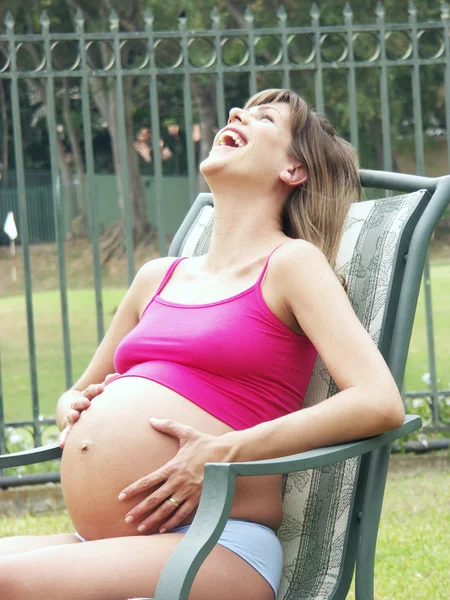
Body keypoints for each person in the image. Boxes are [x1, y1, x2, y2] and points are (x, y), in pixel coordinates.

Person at [0, 89, 405, 600]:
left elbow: (379, 402)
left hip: (216, 544)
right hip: (109, 544)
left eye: (264, 118)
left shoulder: (292, 265)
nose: (236, 114)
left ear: (293, 170)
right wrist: (73, 407)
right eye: (240, 109)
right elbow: (76, 393)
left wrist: (222, 452)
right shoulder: (156, 278)